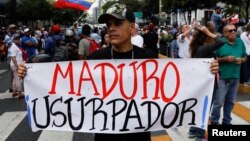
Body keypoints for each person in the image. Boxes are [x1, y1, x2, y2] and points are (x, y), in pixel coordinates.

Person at [17, 4, 219, 141]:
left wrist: (206, 72)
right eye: (109, 25)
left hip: (138, 134)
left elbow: (176, 87)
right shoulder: (96, 59)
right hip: (105, 135)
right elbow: (67, 88)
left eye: (118, 24)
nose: (111, 29)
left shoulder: (147, 59)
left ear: (132, 28)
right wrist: (29, 74)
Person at [188, 24, 225, 140]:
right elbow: (221, 41)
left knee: (200, 107)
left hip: (204, 82)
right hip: (208, 83)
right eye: (211, 35)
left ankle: (193, 130)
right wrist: (208, 32)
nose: (213, 37)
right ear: (207, 37)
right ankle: (199, 136)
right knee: (204, 109)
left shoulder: (199, 48)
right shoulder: (204, 48)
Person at [210, 24, 247, 125]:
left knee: (230, 102)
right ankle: (214, 121)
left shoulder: (240, 42)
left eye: (234, 30)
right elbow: (212, 59)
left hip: (235, 76)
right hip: (222, 76)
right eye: (230, 31)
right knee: (219, 102)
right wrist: (224, 59)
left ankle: (227, 121)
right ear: (225, 33)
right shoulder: (220, 42)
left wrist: (242, 60)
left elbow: (245, 56)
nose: (234, 32)